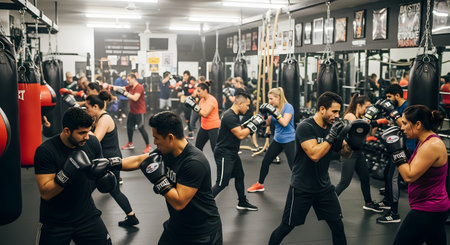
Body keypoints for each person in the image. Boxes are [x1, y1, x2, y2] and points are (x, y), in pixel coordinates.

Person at [115, 111, 223, 244]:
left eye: (157, 138)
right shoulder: (166, 150)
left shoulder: (194, 162)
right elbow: (139, 161)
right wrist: (111, 164)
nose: (154, 142)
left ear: (170, 138)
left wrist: (159, 180)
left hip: (202, 233)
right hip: (176, 225)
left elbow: (179, 202)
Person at [268, 91, 352, 245]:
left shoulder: (332, 127)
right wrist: (332, 136)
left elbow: (346, 154)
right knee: (286, 227)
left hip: (324, 187)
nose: (337, 115)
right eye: (334, 111)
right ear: (322, 109)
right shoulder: (305, 127)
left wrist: (353, 142)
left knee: (338, 227)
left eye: (339, 112)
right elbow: (314, 154)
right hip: (302, 187)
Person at [34, 107, 112, 244]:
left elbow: (96, 173)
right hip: (56, 222)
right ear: (67, 131)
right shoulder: (46, 151)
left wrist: (102, 178)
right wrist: (67, 172)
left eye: (88, 132)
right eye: (82, 133)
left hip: (87, 215)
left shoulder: (92, 143)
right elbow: (46, 193)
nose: (86, 137)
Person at [381, 105, 450, 245]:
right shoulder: (424, 142)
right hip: (433, 208)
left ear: (418, 124)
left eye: (405, 123)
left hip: (428, 209)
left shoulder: (432, 145)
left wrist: (396, 151)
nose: (402, 127)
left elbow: (409, 176)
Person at [85, 92, 139, 227]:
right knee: (109, 190)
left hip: (109, 160)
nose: (86, 110)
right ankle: (131, 217)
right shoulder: (98, 117)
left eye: (87, 108)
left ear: (95, 106)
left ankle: (80, 218)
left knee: (91, 189)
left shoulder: (104, 119)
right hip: (104, 159)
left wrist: (84, 129)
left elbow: (95, 140)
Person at [211, 91, 264, 210]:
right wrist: (253, 124)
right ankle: (201, 205)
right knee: (221, 183)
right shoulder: (229, 116)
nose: (248, 107)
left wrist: (251, 122)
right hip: (224, 153)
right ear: (240, 103)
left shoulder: (232, 115)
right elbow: (240, 135)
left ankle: (242, 202)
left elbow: (239, 127)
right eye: (247, 105)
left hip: (232, 152)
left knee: (240, 176)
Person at [334, 93, 382, 212]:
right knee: (345, 182)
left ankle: (368, 202)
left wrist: (378, 122)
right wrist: (377, 120)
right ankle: (327, 203)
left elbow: (370, 132)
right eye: (366, 107)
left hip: (358, 152)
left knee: (365, 178)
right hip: (349, 153)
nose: (368, 110)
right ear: (358, 105)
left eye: (370, 108)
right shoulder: (350, 115)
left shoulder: (361, 117)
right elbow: (360, 125)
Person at [376, 84, 417, 223]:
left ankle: (394, 214)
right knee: (388, 173)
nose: (387, 100)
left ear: (397, 95)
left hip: (406, 147)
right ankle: (388, 200)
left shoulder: (407, 107)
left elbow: (403, 125)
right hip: (396, 146)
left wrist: (392, 111)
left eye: (389, 97)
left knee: (393, 177)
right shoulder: (397, 107)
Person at [247, 87, 296, 192]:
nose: (269, 101)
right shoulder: (273, 108)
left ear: (278, 98)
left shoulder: (288, 107)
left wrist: (274, 112)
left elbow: (284, 122)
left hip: (289, 140)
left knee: (293, 166)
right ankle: (260, 184)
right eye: (268, 99)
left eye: (271, 99)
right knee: (266, 161)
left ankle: (303, 187)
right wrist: (261, 118)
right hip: (277, 140)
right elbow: (267, 123)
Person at [114, 73, 151, 154]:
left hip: (139, 111)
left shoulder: (139, 87)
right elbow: (121, 88)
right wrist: (109, 86)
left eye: (129, 80)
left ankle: (148, 146)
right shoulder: (130, 86)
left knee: (141, 128)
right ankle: (130, 143)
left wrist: (125, 93)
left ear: (134, 79)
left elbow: (135, 98)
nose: (127, 81)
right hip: (132, 111)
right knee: (129, 127)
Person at [185, 82, 220, 152]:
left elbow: (205, 114)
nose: (197, 93)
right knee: (198, 148)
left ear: (205, 91)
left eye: (199, 91)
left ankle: (221, 163)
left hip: (213, 128)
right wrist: (192, 105)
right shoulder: (202, 100)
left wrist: (193, 105)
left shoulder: (212, 100)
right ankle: (199, 162)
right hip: (204, 127)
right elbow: (199, 111)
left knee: (215, 150)